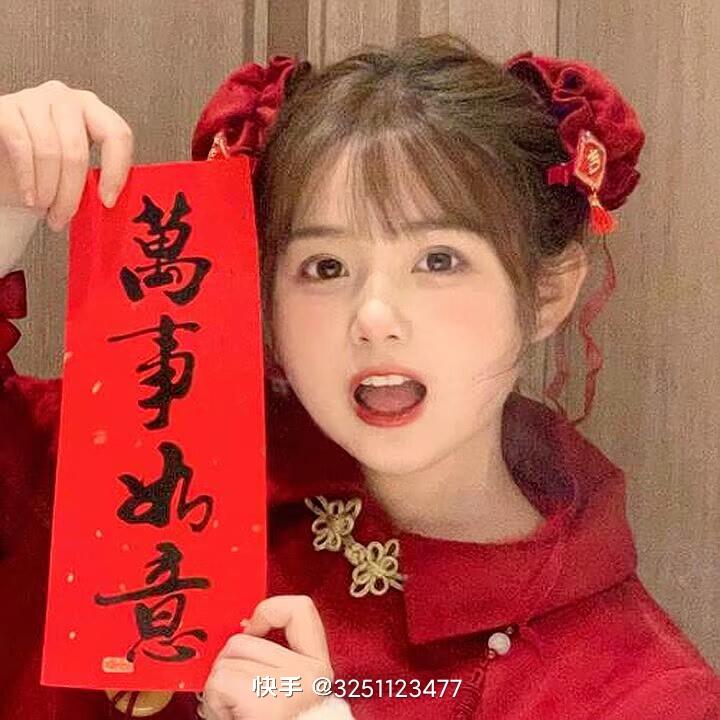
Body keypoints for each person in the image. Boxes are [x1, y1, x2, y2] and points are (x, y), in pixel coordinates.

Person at [0, 34, 717, 720]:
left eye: (438, 261)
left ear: (549, 292)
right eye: (326, 267)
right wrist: (6, 200)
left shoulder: (640, 689)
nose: (373, 317)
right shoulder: (155, 457)